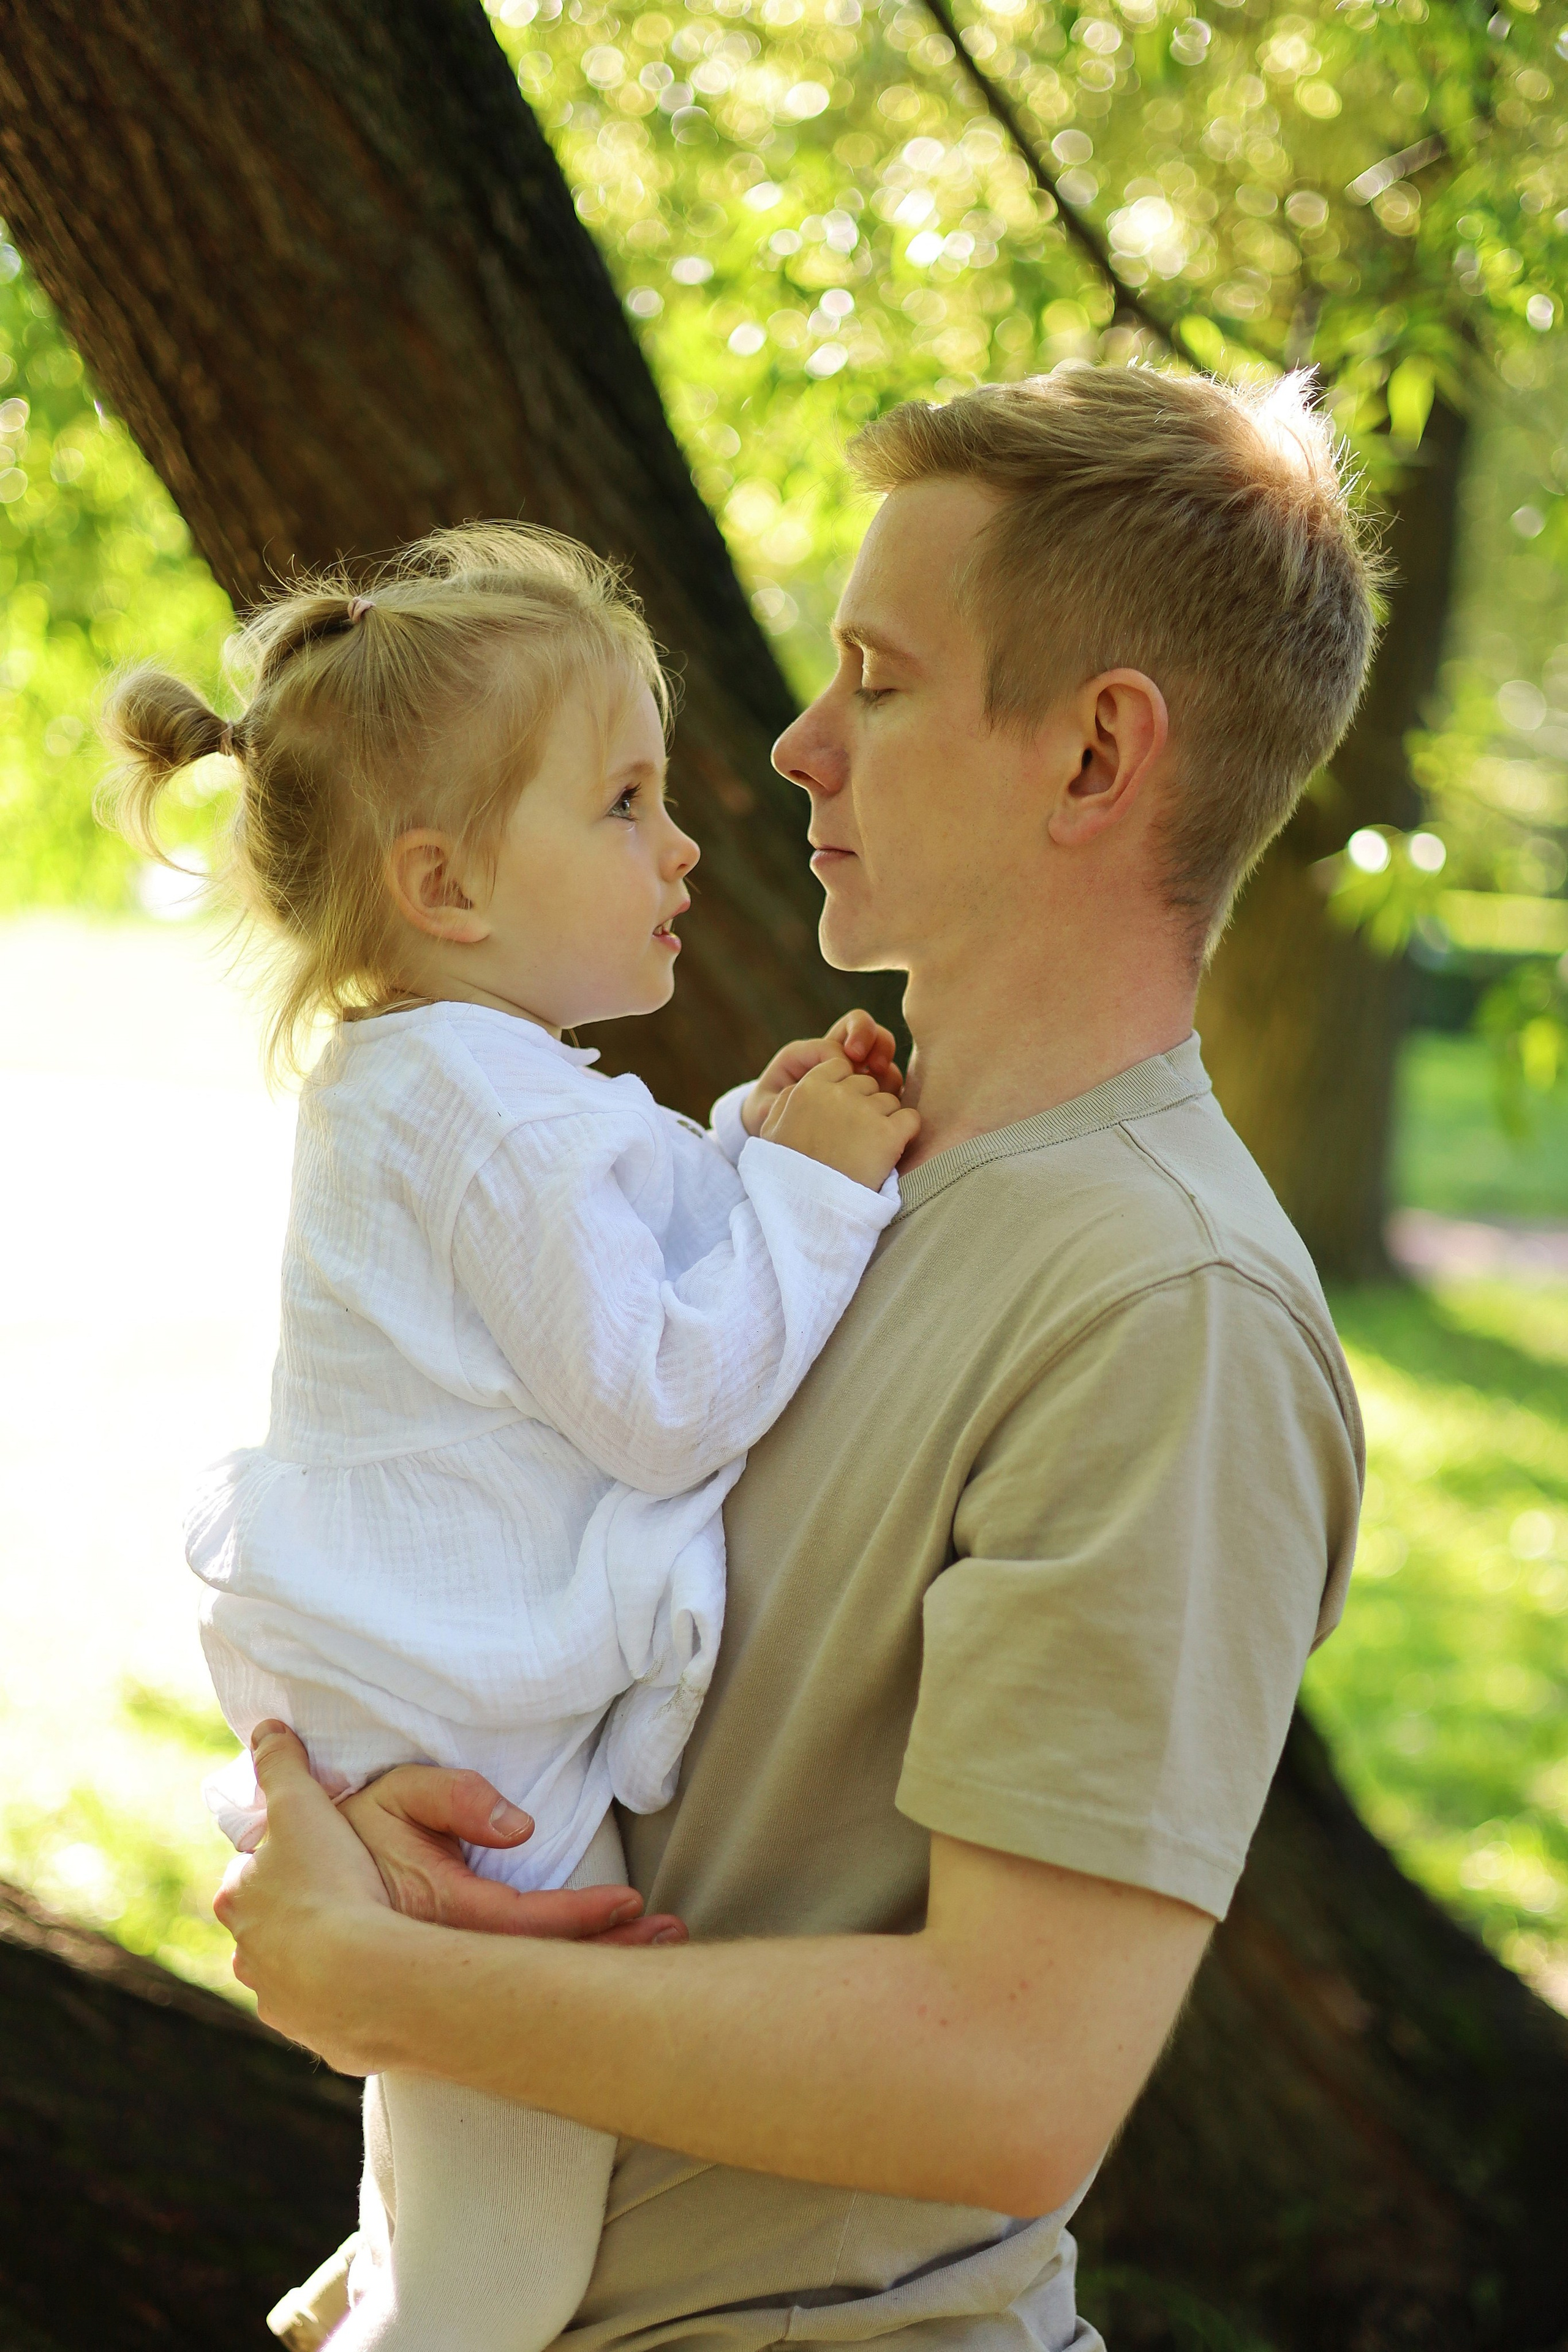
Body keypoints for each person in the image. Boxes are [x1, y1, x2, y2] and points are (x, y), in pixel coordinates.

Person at [217, 363, 1378, 2352]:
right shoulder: (821, 1185)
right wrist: (388, 1795)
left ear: (1097, 757)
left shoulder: (1166, 1307)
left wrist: (382, 1981)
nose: (795, 742)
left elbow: (1008, 2078)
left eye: (880, 681)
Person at [100, 524, 918, 2352]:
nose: (682, 845)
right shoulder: (492, 1115)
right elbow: (662, 1403)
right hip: (482, 1764)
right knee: (517, 2262)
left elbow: (600, 1273)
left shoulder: (443, 1079)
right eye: (624, 803)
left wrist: (747, 1144)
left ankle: (390, 2275)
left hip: (423, 1711)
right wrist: (812, 1199)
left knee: (469, 2158)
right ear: (446, 883)